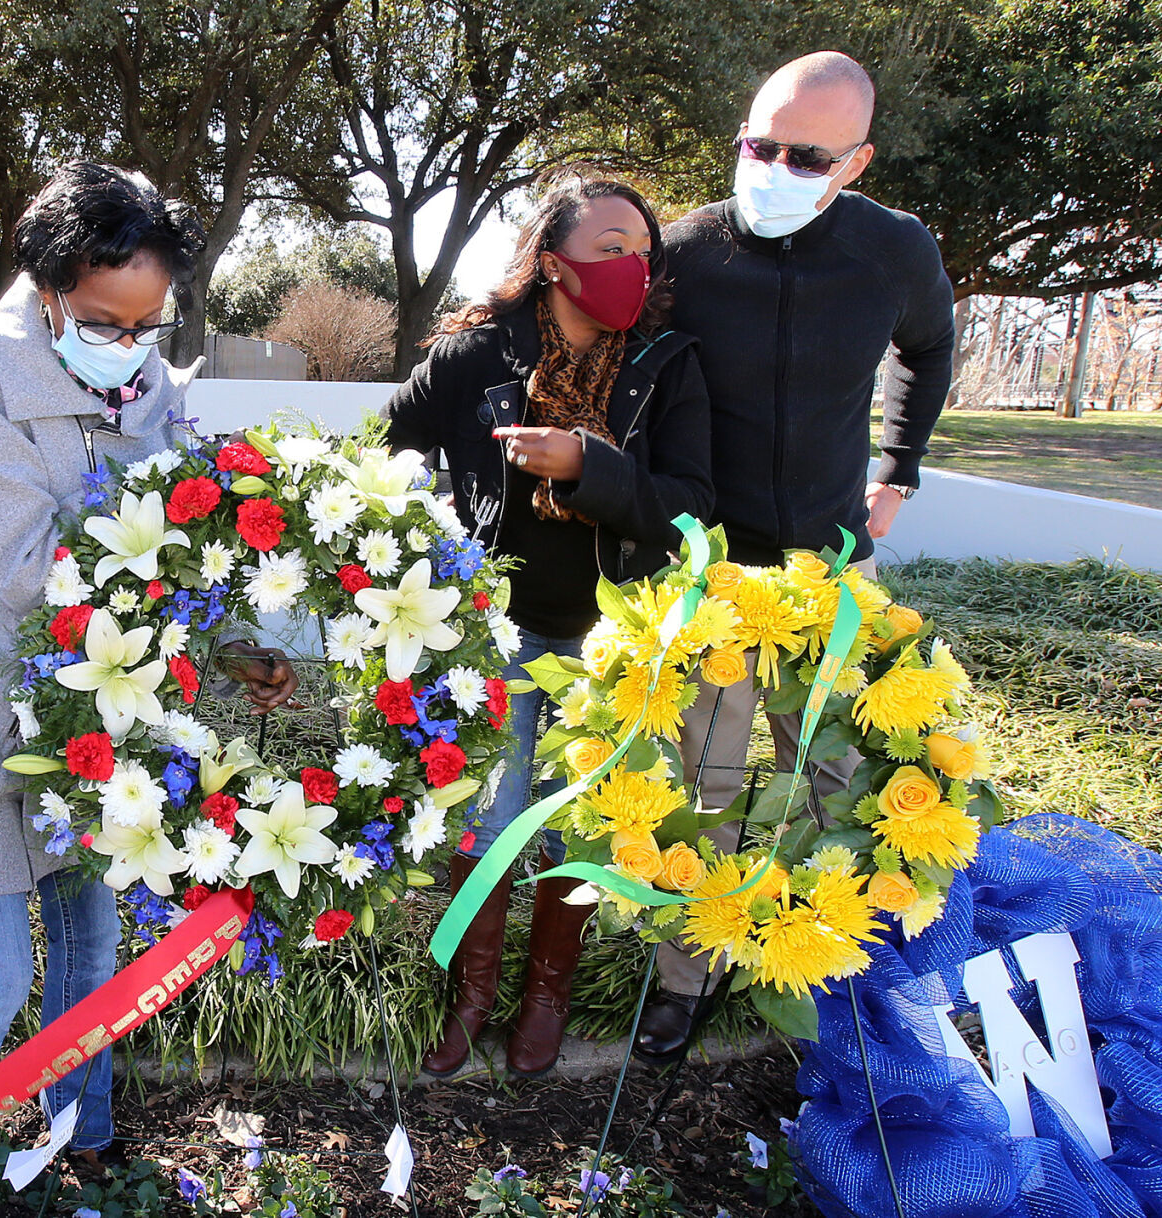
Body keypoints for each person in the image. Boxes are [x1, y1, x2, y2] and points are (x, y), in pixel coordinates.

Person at [0, 162, 296, 1215]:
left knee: (92, 940)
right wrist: (182, 608)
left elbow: (195, 536)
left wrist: (232, 647)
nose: (130, 346)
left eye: (149, 323)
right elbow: (33, 566)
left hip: (95, 710)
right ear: (48, 292)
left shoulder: (154, 384)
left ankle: (80, 1134)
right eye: (104, 320)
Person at [642, 51, 956, 1059]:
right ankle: (687, 978)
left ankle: (835, 967)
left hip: (832, 567)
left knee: (833, 774)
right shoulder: (685, 252)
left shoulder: (891, 251)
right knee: (710, 783)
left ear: (855, 161)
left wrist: (897, 472)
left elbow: (931, 344)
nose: (772, 165)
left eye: (804, 154)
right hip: (717, 574)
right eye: (757, 142)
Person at [383, 168, 714, 1077]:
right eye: (611, 250)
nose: (633, 268)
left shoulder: (666, 363)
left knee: (572, 823)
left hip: (611, 643)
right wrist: (420, 545)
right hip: (499, 628)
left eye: (644, 252)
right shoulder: (474, 356)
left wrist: (589, 466)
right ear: (553, 263)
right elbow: (383, 449)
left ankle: (546, 996)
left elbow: (691, 503)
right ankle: (474, 992)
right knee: (489, 814)